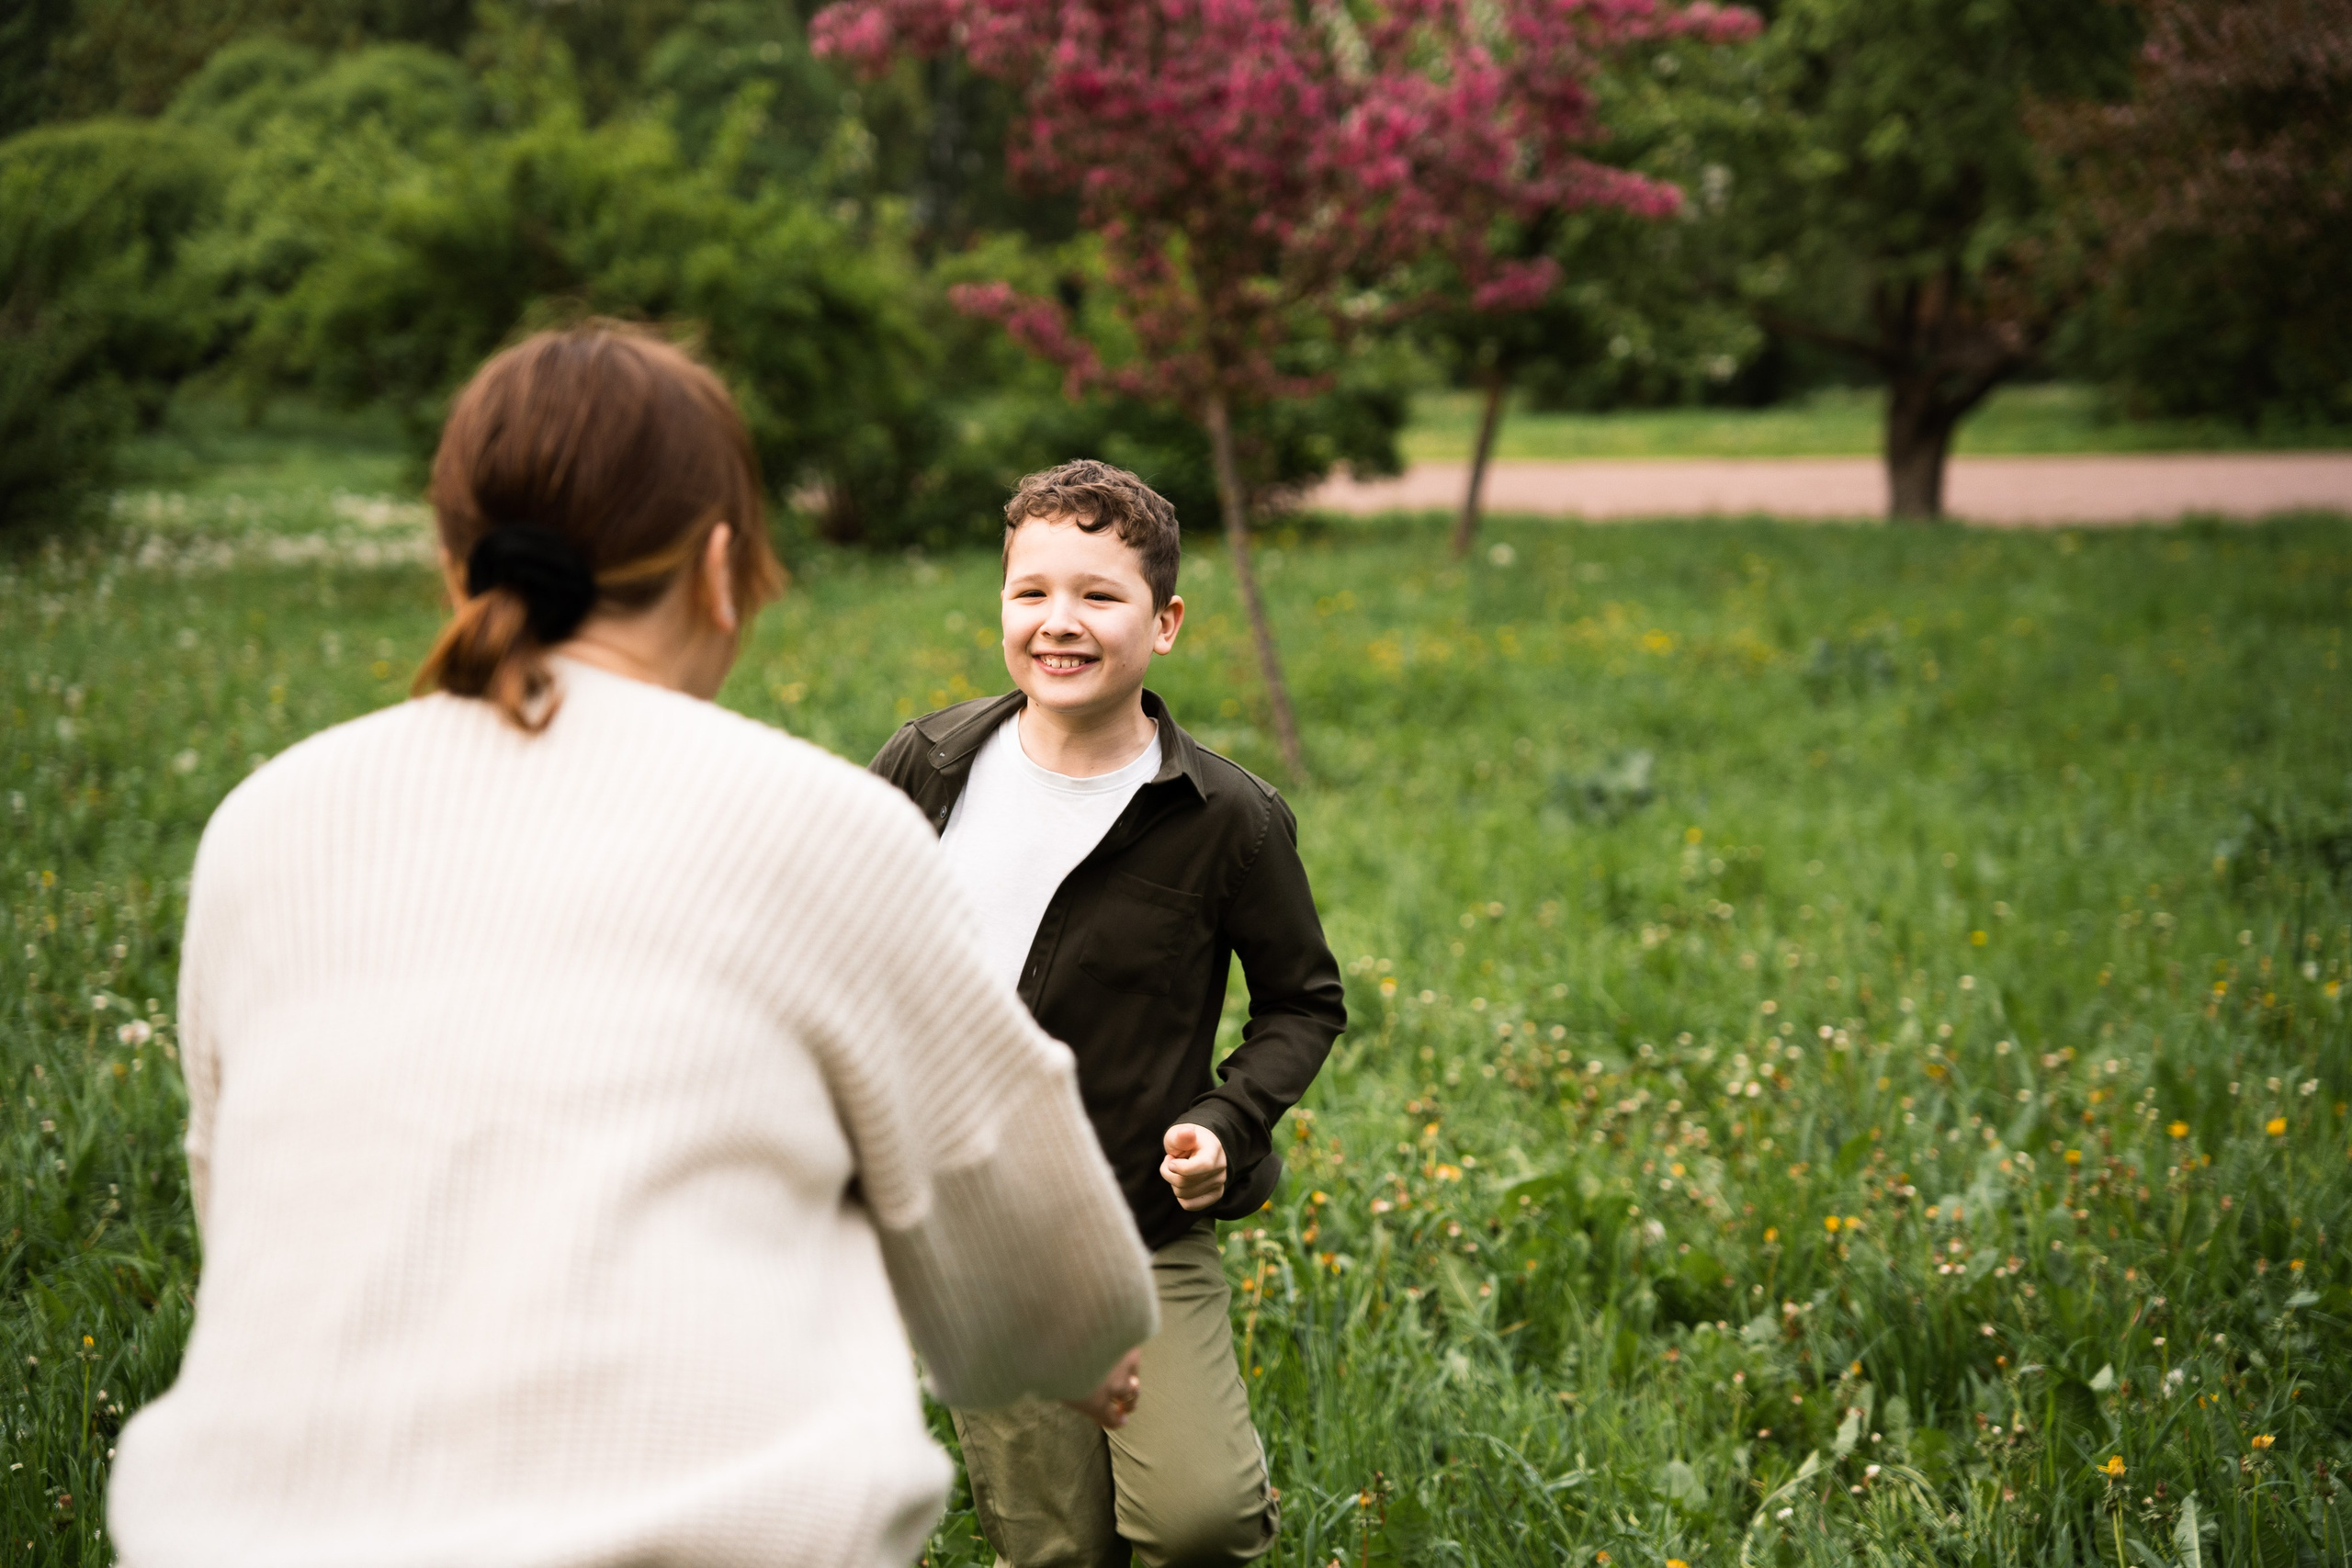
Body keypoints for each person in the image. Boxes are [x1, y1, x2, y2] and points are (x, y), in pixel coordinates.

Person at [108, 324, 1158, 1568]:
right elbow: (1044, 1272)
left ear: (457, 567)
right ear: (722, 567)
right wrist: (1082, 1341)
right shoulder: (819, 828)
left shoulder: (265, 827)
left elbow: (250, 1217)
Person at [869, 461, 1348, 1568]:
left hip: (1139, 1229)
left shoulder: (1225, 816)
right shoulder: (928, 764)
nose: (1058, 623)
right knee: (1053, 1547)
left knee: (1200, 1519)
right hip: (976, 1234)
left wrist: (1226, 1127)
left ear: (1164, 621)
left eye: (1098, 594)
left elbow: (1301, 1001)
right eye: (1030, 592)